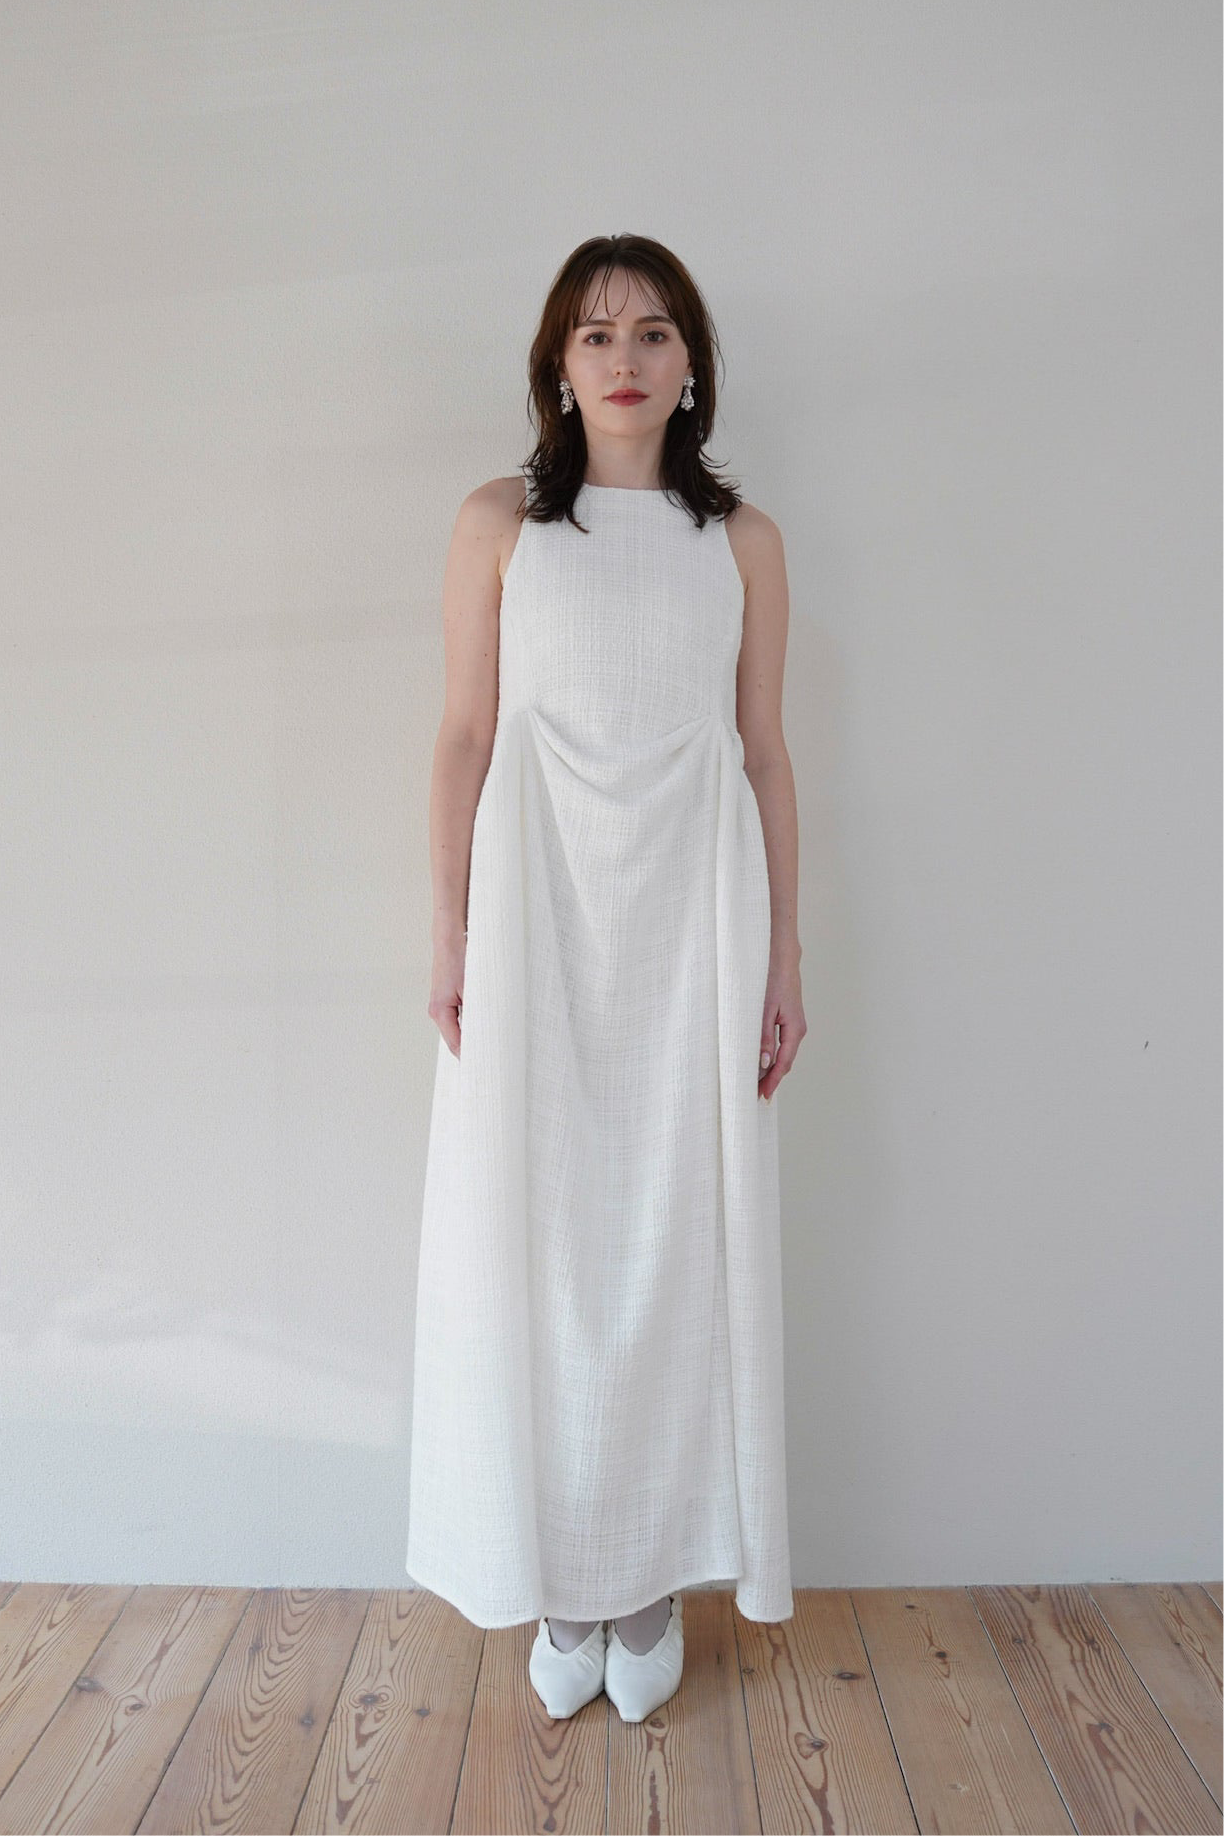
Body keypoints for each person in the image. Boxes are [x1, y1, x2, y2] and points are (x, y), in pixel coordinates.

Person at [406, 233, 806, 1723]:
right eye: (594, 335)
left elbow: (764, 753)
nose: (623, 357)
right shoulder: (498, 524)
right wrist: (447, 930)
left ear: (691, 363)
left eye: (651, 332)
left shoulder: (743, 541)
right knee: (544, 1241)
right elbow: (464, 735)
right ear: (557, 368)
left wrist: (786, 952)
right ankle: (562, 1578)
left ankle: (650, 1582)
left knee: (677, 1237)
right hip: (535, 917)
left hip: (695, 923)